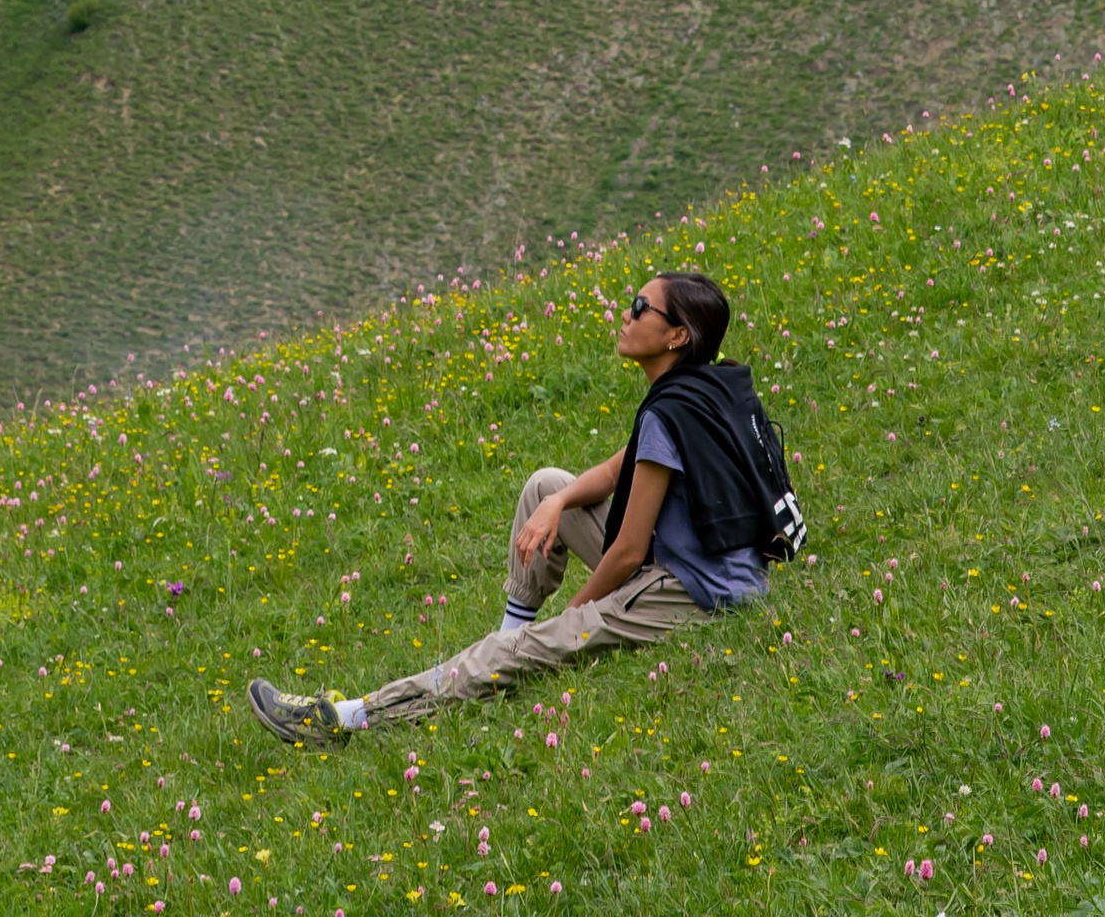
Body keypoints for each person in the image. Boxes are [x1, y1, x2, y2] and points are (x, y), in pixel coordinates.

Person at [248, 269, 800, 746]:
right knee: (543, 486)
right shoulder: (698, 391)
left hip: (694, 592)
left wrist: (577, 612)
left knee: (532, 645)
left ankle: (344, 719)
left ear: (677, 334)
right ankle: (514, 628)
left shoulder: (668, 413)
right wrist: (557, 501)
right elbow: (613, 473)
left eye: (640, 308)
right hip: (715, 564)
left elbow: (628, 552)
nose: (625, 314)